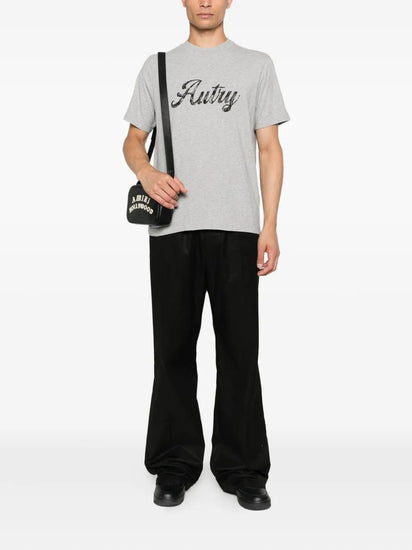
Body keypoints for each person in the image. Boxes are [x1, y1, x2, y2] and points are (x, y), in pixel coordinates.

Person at [122, 0, 290, 511]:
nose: (205, 2)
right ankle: (174, 464)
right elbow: (133, 141)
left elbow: (269, 148)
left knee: (240, 352)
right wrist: (147, 172)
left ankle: (242, 468)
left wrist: (269, 224)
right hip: (173, 228)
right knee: (173, 350)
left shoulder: (256, 65)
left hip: (238, 227)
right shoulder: (158, 66)